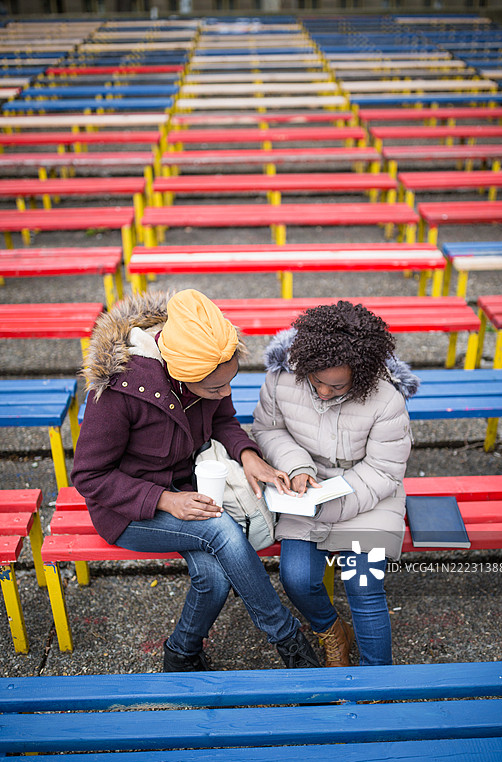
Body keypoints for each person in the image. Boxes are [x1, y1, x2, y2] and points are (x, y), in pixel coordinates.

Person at [71, 288, 320, 672]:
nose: (226, 392)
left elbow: (222, 420)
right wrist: (165, 500)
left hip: (189, 489)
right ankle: (289, 640)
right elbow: (89, 476)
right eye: (215, 388)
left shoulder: (209, 365)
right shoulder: (120, 390)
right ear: (179, 374)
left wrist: (248, 454)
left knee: (215, 577)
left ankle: (181, 652)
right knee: (219, 528)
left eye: (230, 382)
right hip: (128, 511)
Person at [252, 301, 419, 668]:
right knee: (297, 579)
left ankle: (376, 676)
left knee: (364, 587)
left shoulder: (386, 397)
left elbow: (384, 470)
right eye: (317, 382)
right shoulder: (282, 378)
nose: (325, 393)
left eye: (338, 386)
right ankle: (332, 631)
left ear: (360, 375)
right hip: (304, 490)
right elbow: (268, 429)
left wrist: (327, 503)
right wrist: (296, 466)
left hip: (370, 498)